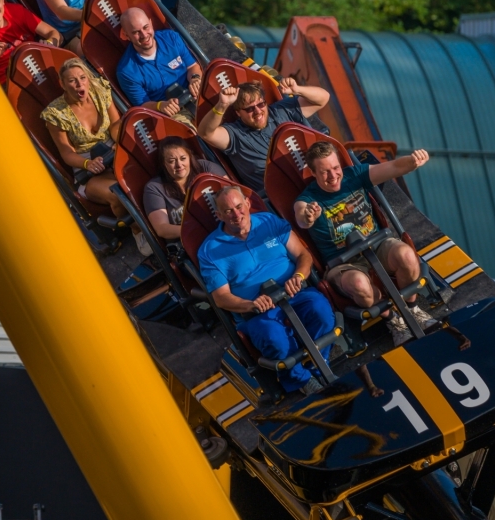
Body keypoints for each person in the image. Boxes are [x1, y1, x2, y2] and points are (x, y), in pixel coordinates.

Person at [198, 186, 336, 395]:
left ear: (248, 203)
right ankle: (300, 380)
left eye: (238, 206)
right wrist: (250, 305)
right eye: (228, 211)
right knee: (274, 338)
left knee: (321, 311)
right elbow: (221, 297)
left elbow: (302, 255)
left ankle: (317, 364)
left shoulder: (269, 221)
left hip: (294, 292)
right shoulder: (209, 250)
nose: (236, 214)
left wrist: (298, 277)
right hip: (258, 310)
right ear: (219, 215)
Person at [294, 141, 430, 343]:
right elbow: (301, 217)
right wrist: (309, 216)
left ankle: (412, 308)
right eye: (324, 172)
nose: (333, 176)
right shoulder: (306, 199)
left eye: (335, 168)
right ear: (313, 173)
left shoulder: (355, 175)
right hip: (343, 263)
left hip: (377, 245)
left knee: (407, 255)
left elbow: (394, 167)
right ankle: (394, 320)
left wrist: (413, 162)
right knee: (358, 283)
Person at [197, 78, 330, 193]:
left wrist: (298, 89)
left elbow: (323, 98)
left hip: (313, 180)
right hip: (279, 197)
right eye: (249, 109)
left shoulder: (280, 111)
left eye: (261, 104)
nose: (257, 111)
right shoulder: (235, 134)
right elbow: (206, 133)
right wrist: (222, 105)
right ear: (238, 113)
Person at [41, 58, 124, 218]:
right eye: (72, 81)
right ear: (63, 85)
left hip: (114, 154)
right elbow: (67, 153)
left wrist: (120, 141)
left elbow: (115, 123)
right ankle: (139, 235)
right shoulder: (56, 114)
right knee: (118, 195)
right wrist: (88, 164)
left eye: (82, 78)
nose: (79, 84)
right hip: (88, 171)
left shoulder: (99, 91)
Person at [116, 8, 202, 125]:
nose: (144, 35)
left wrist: (195, 79)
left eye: (146, 27)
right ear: (125, 35)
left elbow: (192, 67)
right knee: (186, 132)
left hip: (195, 95)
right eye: (136, 32)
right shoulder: (126, 71)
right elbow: (142, 106)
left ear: (151, 23)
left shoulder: (171, 38)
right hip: (171, 112)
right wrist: (160, 106)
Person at [144, 136, 227, 240]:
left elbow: (233, 193)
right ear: (163, 163)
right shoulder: (154, 188)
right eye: (171, 161)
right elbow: (162, 229)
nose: (179, 165)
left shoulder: (205, 168)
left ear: (190, 156)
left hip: (226, 228)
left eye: (183, 158)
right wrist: (199, 230)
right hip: (193, 240)